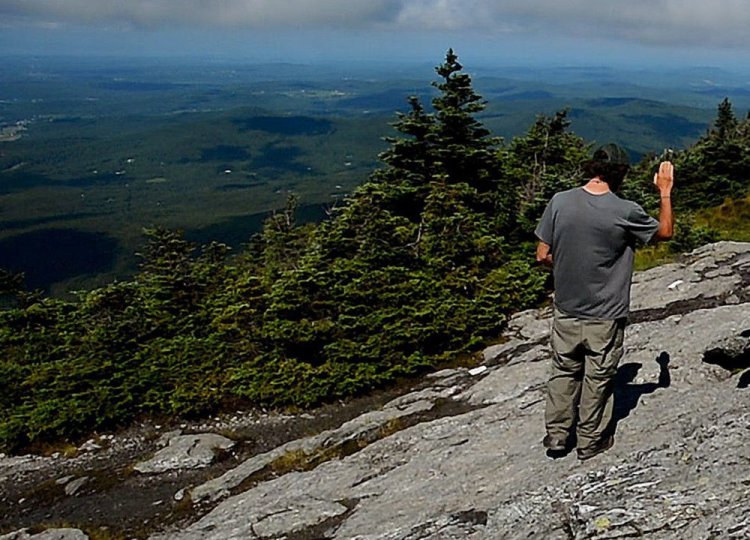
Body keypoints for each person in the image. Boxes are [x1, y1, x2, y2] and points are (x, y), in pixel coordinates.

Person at [534, 144, 674, 460]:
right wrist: (664, 191)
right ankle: (590, 441)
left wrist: (570, 263)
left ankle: (557, 437)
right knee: (598, 378)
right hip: (605, 314)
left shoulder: (560, 202)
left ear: (591, 166)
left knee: (563, 372)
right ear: (621, 173)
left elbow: (542, 254)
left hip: (567, 308)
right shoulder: (624, 210)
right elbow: (665, 232)